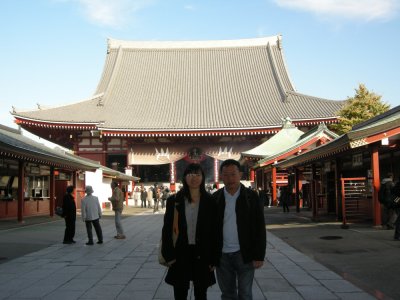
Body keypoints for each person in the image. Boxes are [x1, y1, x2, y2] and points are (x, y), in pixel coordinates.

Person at [161, 163, 217, 300]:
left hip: (202, 253)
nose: (194, 178)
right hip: (180, 253)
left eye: (198, 174)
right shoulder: (174, 201)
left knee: (201, 293)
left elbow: (215, 231)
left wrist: (214, 258)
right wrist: (169, 255)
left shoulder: (210, 201)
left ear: (203, 178)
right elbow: (167, 229)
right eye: (190, 174)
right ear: (184, 178)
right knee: (180, 293)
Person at [213, 159, 266, 300]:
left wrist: (259, 255)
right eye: (226, 175)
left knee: (245, 294)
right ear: (221, 176)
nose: (230, 178)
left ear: (240, 174)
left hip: (245, 253)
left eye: (233, 174)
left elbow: (259, 227)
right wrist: (211, 257)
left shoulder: (251, 197)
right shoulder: (215, 198)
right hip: (222, 255)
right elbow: (210, 230)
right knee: (227, 294)